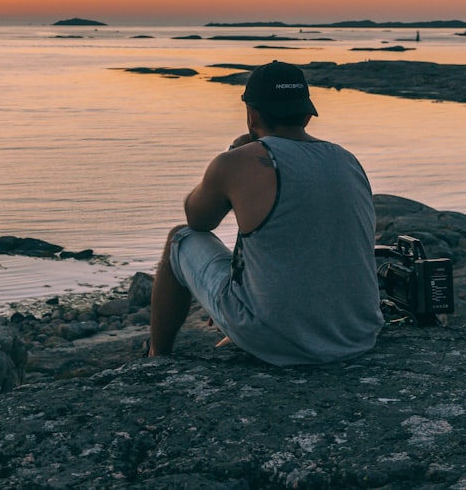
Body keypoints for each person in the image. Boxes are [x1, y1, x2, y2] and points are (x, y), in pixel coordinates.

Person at [148, 61, 384, 365]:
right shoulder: (346, 159)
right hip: (357, 335)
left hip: (276, 338)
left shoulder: (237, 161)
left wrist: (233, 152)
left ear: (252, 114)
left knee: (179, 239)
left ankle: (156, 357)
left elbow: (197, 219)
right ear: (307, 115)